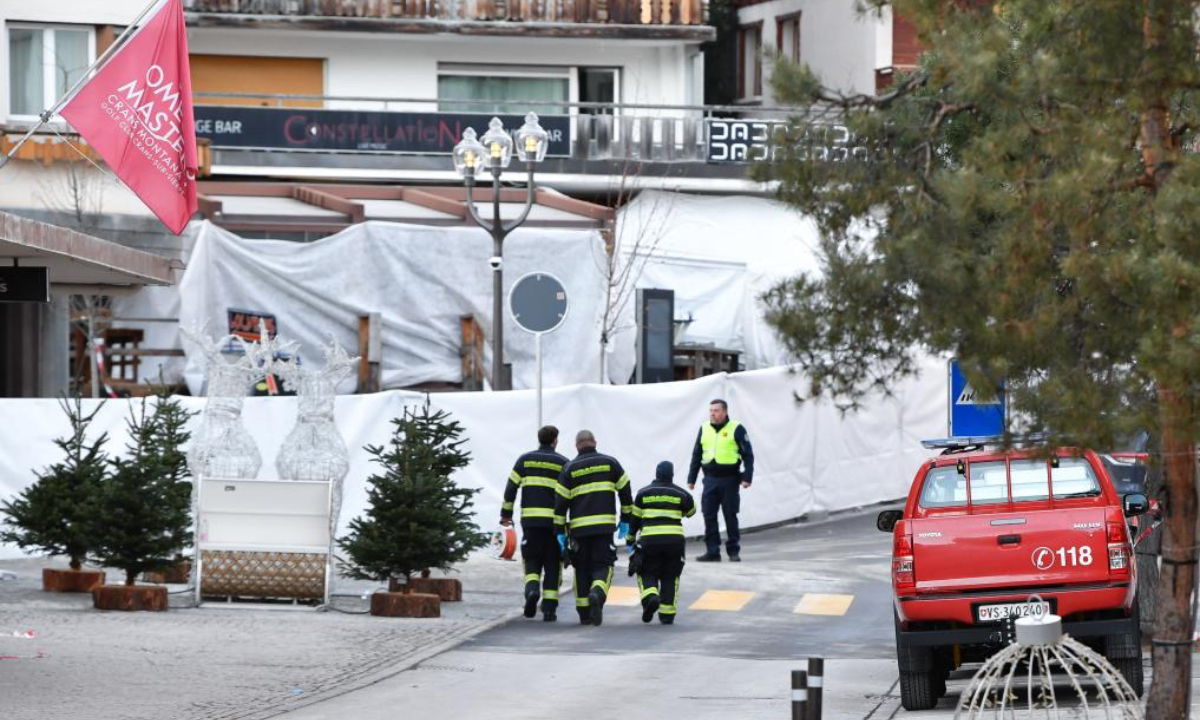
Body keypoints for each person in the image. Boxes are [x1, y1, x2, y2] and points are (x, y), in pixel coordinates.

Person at [554, 429, 633, 626]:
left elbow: (560, 504)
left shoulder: (569, 468)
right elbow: (625, 490)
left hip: (579, 530)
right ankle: (597, 592)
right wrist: (626, 518)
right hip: (604, 529)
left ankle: (583, 613)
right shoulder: (610, 463)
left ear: (576, 446)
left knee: (581, 568)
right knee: (603, 566)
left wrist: (559, 532)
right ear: (594, 442)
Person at [501, 425, 569, 622]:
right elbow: (569, 496)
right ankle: (549, 609)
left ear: (539, 439)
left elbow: (511, 488)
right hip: (554, 526)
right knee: (552, 564)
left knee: (531, 561)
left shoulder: (524, 460)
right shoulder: (564, 463)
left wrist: (506, 514)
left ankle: (531, 591)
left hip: (530, 523)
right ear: (555, 440)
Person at [627, 460, 696, 625]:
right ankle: (667, 614)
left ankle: (651, 597)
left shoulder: (643, 493)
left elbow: (635, 519)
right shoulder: (681, 494)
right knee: (671, 575)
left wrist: (630, 539)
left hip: (650, 540)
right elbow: (691, 511)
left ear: (656, 474)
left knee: (646, 571)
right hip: (675, 541)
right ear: (671, 475)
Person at [687, 398, 754, 562]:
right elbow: (696, 454)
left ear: (724, 412)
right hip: (710, 479)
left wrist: (747, 477)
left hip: (729, 479)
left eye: (716, 411)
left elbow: (748, 455)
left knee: (730, 515)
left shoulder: (736, 428)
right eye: (711, 410)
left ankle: (733, 551)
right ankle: (712, 551)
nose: (712, 414)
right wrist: (692, 478)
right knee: (708, 515)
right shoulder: (704, 428)